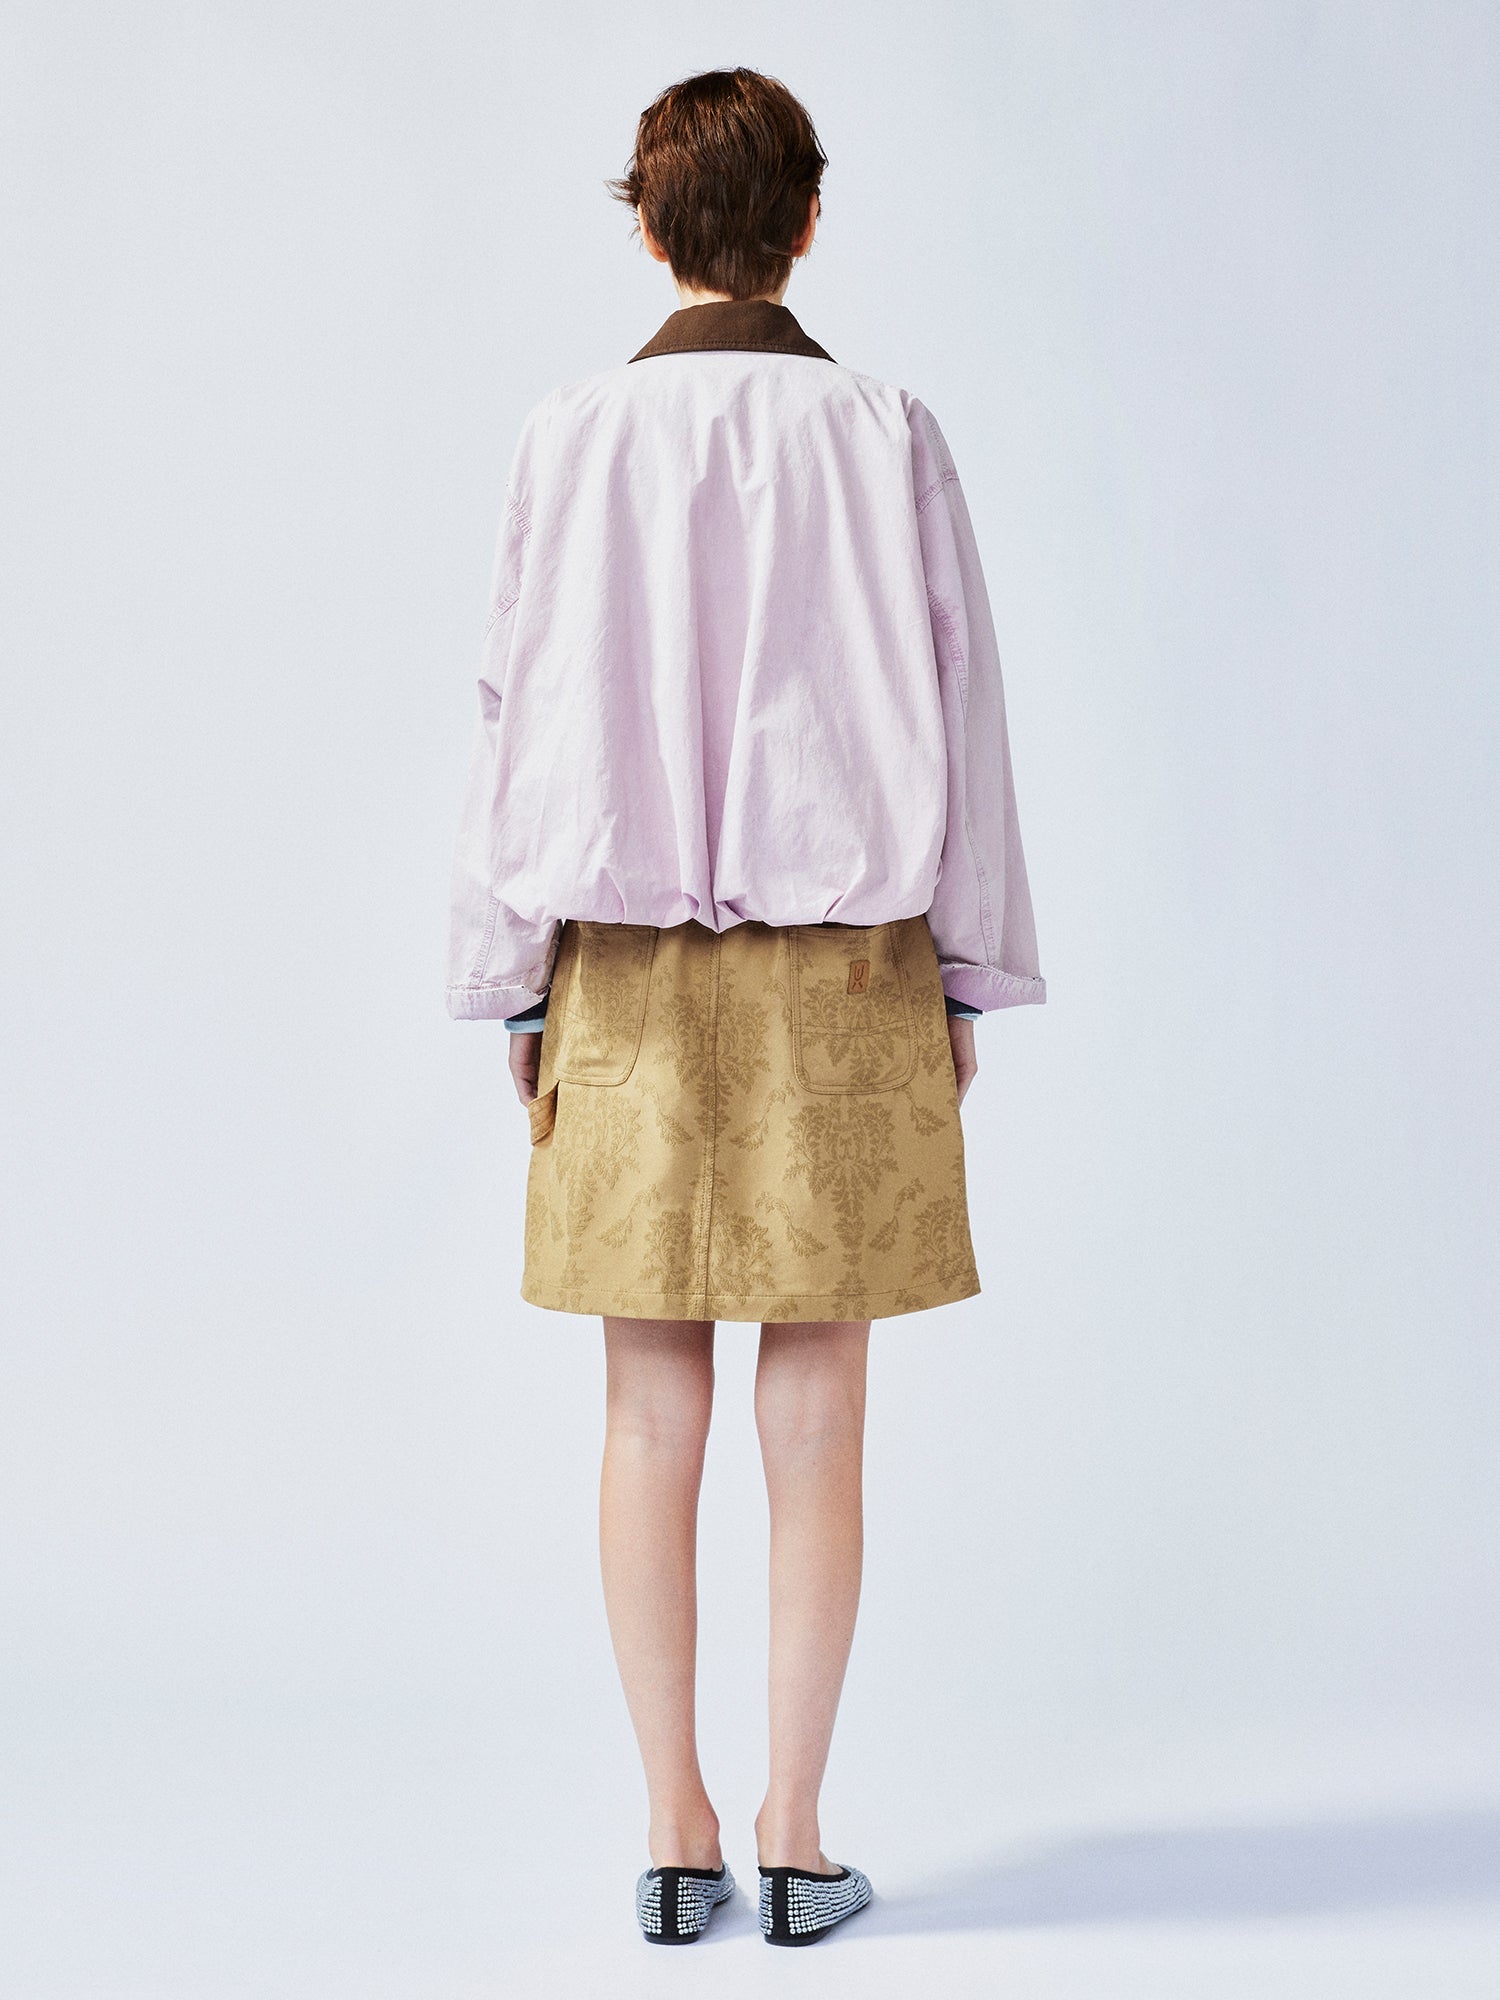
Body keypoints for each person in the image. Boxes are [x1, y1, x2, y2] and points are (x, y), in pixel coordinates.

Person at [445, 66, 1046, 1947]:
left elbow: (513, 715)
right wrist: (967, 968)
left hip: (620, 961)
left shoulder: (569, 435)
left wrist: (509, 977)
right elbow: (963, 712)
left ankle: (674, 1830)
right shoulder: (885, 430)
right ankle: (795, 1837)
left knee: (646, 1410)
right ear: (808, 222)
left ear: (646, 228)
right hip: (848, 962)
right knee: (820, 1414)